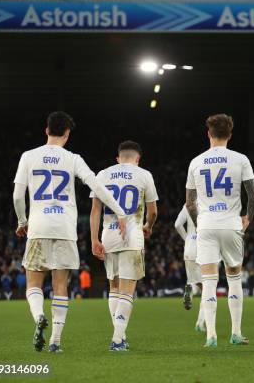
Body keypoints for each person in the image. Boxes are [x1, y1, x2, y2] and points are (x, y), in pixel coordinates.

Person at [13, 111, 127, 353]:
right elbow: (97, 185)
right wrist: (120, 212)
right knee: (60, 285)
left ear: (46, 130)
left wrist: (23, 221)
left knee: (33, 282)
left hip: (38, 226)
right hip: (65, 228)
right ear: (67, 133)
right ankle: (55, 341)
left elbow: (17, 196)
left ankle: (38, 318)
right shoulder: (73, 158)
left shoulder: (28, 156)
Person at [185, 114, 254, 348]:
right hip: (231, 225)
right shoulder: (240, 159)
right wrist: (247, 218)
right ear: (230, 135)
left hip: (206, 225)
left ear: (208, 134)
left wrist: (200, 224)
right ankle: (236, 333)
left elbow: (189, 203)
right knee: (234, 278)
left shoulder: (196, 162)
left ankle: (211, 337)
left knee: (208, 281)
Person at [90, 140, 158, 351]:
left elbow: (95, 211)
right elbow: (153, 211)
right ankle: (117, 340)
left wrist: (94, 239)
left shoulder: (102, 174)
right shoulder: (144, 174)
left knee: (114, 288)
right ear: (138, 159)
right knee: (127, 291)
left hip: (108, 235)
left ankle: (121, 335)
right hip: (132, 235)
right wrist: (148, 225)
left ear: (118, 158)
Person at [175, 204, 206, 332]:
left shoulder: (188, 204)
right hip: (204, 248)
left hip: (189, 249)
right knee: (207, 289)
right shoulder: (207, 200)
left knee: (194, 282)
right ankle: (200, 323)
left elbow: (177, 225)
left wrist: (187, 238)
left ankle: (190, 291)